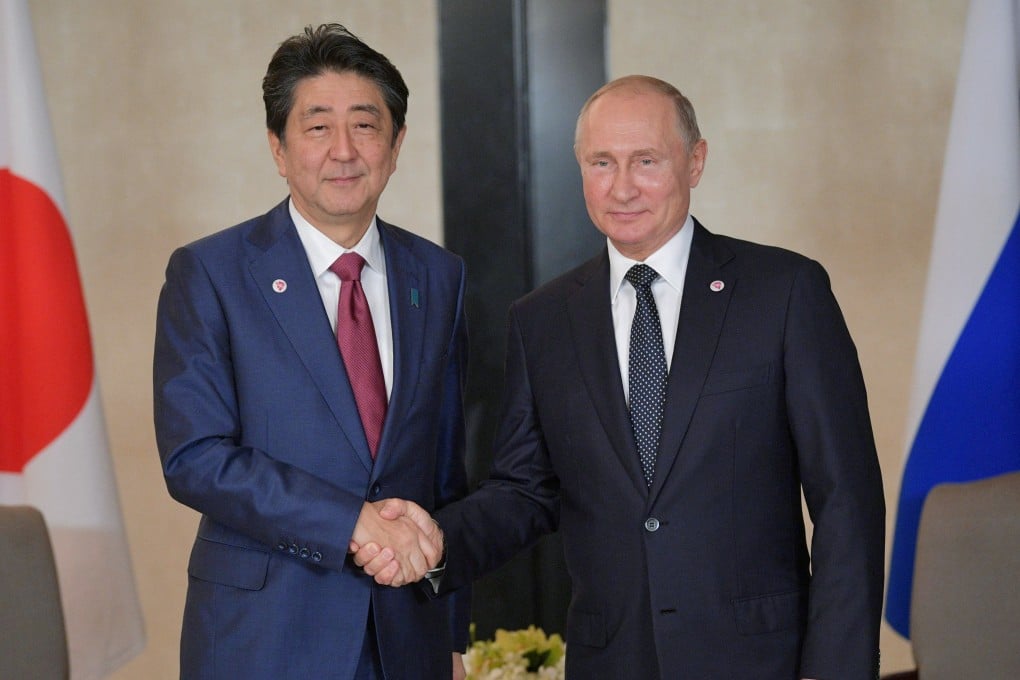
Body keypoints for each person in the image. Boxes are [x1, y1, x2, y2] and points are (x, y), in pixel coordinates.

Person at [357, 75, 885, 679]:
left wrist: (836, 668)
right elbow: (525, 490)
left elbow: (847, 499)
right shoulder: (542, 319)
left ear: (696, 161)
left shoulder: (784, 292)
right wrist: (436, 540)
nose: (623, 186)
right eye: (601, 162)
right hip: (612, 661)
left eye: (647, 161)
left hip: (762, 660)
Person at [153, 23, 469, 680]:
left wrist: (453, 630)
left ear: (397, 143)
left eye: (366, 125)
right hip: (265, 639)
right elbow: (195, 457)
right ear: (278, 147)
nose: (344, 151)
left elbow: (444, 469)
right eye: (318, 127)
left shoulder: (438, 276)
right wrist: (350, 521)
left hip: (407, 637)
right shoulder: (211, 273)